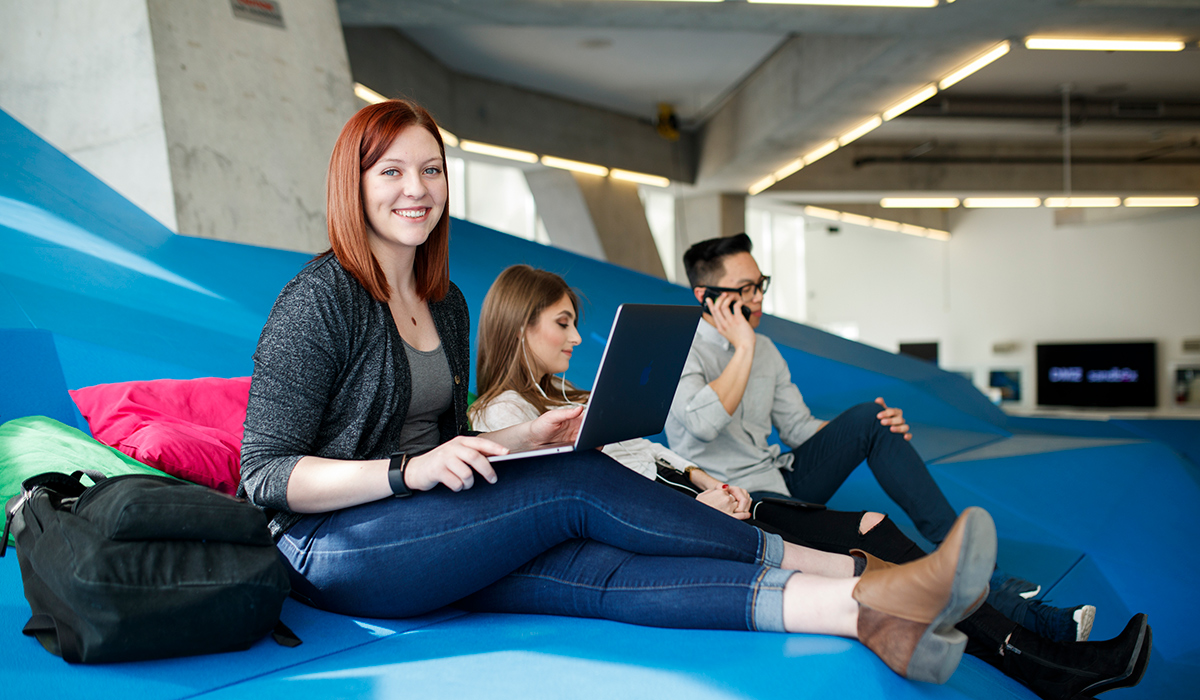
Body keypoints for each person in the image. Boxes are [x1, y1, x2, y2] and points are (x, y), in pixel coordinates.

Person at [237, 98, 998, 685]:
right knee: (575, 486)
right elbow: (266, 475)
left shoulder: (446, 302)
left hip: (425, 526)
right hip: (335, 548)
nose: (416, 189)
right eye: (392, 171)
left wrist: (519, 439)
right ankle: (871, 575)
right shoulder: (320, 301)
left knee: (596, 567)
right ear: (355, 182)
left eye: (431, 169)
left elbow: (441, 448)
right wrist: (407, 474)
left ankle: (862, 616)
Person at [469, 263, 1151, 700]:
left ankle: (1046, 648)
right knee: (883, 557)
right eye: (563, 324)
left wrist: (709, 483)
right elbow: (599, 491)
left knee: (886, 535)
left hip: (725, 495)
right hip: (690, 519)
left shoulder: (566, 394)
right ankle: (1045, 656)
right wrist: (706, 490)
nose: (577, 337)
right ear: (519, 326)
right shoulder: (506, 418)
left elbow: (657, 453)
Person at [666, 233, 1095, 645]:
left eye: (762, 285)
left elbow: (797, 427)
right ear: (707, 296)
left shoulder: (768, 351)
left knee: (874, 417)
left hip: (782, 476)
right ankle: (1008, 606)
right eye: (747, 288)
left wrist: (864, 431)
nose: (759, 297)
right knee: (885, 549)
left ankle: (985, 574)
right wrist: (742, 348)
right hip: (742, 500)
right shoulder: (682, 350)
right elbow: (701, 425)